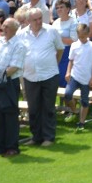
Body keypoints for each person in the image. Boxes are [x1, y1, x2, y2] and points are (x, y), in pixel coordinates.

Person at [20, 8, 64, 146]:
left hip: (49, 75)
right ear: (28, 21)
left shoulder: (51, 31)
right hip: (30, 76)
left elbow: (60, 49)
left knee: (48, 107)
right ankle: (36, 136)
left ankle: (48, 137)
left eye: (40, 18)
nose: (39, 21)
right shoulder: (21, 34)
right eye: (35, 19)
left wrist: (52, 63)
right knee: (33, 108)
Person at [0, 18, 26, 156]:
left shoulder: (19, 45)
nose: (4, 29)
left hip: (9, 83)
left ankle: (12, 147)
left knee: (9, 115)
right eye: (3, 26)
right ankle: (0, 146)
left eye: (7, 27)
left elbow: (14, 67)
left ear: (15, 29)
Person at [64, 23, 92, 130]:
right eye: (79, 36)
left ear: (88, 34)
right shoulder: (74, 45)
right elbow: (71, 60)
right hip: (75, 75)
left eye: (83, 36)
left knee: (84, 100)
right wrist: (68, 72)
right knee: (67, 94)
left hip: (86, 77)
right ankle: (75, 111)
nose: (81, 39)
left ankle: (81, 122)